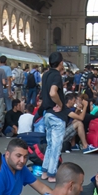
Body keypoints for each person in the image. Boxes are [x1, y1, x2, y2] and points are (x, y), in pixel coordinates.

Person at [38, 52, 68, 183]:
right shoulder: (56, 75)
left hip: (47, 114)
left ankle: (45, 171)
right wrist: (60, 104)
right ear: (60, 62)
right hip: (56, 115)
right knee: (56, 145)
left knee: (50, 144)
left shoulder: (45, 75)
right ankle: (52, 174)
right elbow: (52, 92)